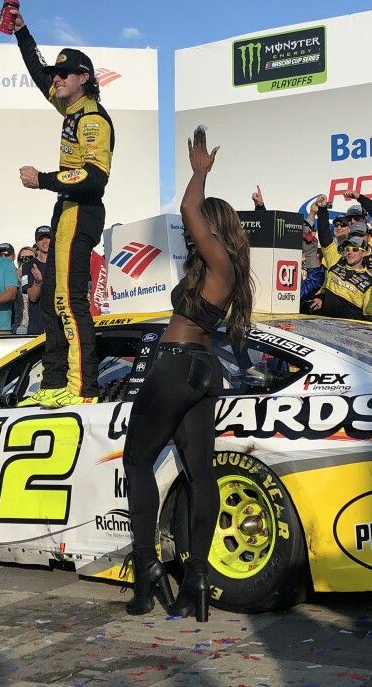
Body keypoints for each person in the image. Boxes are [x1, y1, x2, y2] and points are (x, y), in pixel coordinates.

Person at [123, 127, 253, 622]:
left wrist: (199, 173)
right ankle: (197, 577)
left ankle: (146, 570)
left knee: (137, 462)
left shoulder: (219, 261)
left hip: (176, 365)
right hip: (203, 371)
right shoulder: (220, 269)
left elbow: (187, 211)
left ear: (212, 228)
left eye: (201, 227)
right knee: (201, 474)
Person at [10, 4, 115, 408]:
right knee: (54, 300)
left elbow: (95, 176)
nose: (55, 79)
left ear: (83, 79)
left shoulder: (92, 118)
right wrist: (23, 32)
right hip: (65, 210)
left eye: (63, 74)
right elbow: (39, 74)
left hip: (82, 208)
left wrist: (44, 181)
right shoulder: (68, 107)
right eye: (56, 74)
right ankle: (53, 383)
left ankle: (83, 388)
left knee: (70, 301)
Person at [307, 197, 372, 322]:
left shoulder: (370, 282)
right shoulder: (336, 260)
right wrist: (322, 209)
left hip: (347, 334)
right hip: (324, 324)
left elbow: (371, 319)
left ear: (364, 252)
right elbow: (325, 237)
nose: (350, 252)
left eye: (355, 250)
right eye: (348, 249)